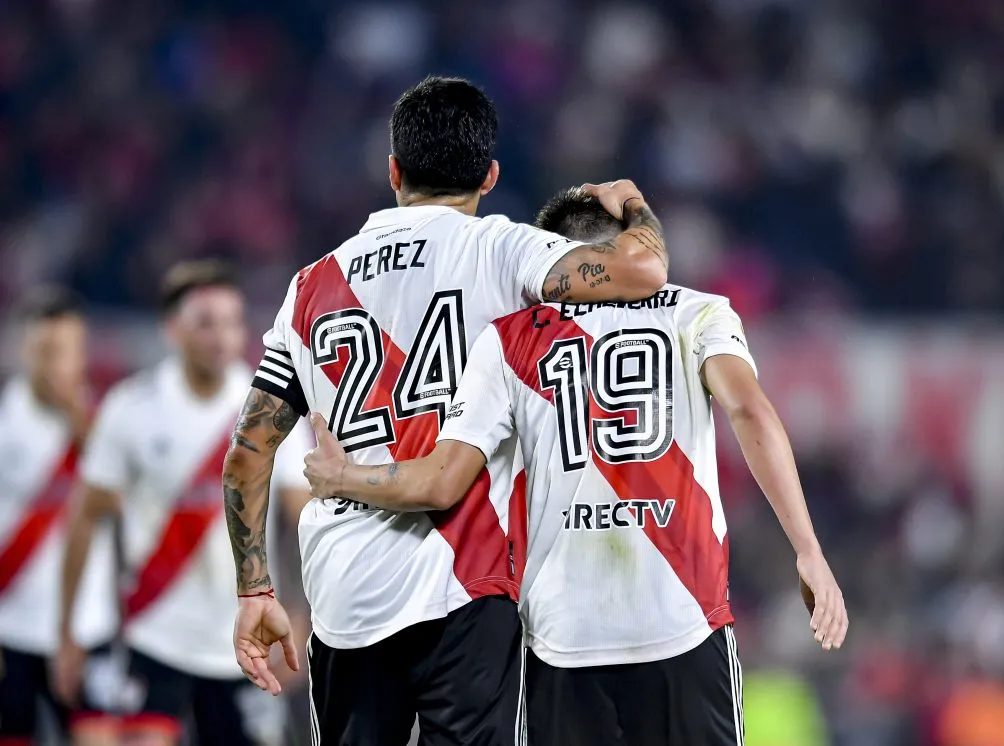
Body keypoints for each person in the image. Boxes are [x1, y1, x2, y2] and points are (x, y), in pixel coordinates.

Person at [302, 188, 849, 746]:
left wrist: (343, 477)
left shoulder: (509, 339)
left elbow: (440, 482)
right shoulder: (698, 311)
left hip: (563, 641)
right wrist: (807, 549)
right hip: (684, 621)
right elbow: (750, 411)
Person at [223, 76, 670, 746]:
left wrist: (255, 591)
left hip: (345, 593)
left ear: (393, 170)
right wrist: (631, 203)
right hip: (467, 580)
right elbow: (642, 272)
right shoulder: (501, 248)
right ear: (489, 176)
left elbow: (248, 455)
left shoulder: (312, 285)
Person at [56, 261, 311, 746]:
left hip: (245, 643)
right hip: (154, 636)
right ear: (172, 329)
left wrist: (303, 614)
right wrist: (69, 631)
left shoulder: (270, 411)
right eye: (205, 323)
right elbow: (85, 519)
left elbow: (302, 521)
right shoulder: (131, 407)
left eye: (232, 322)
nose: (221, 336)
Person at [0, 289, 120, 746]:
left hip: (89, 629)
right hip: (11, 631)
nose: (55, 366)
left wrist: (84, 429)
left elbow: (125, 511)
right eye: (44, 352)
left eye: (66, 353)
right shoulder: (3, 422)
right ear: (24, 352)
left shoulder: (108, 422)